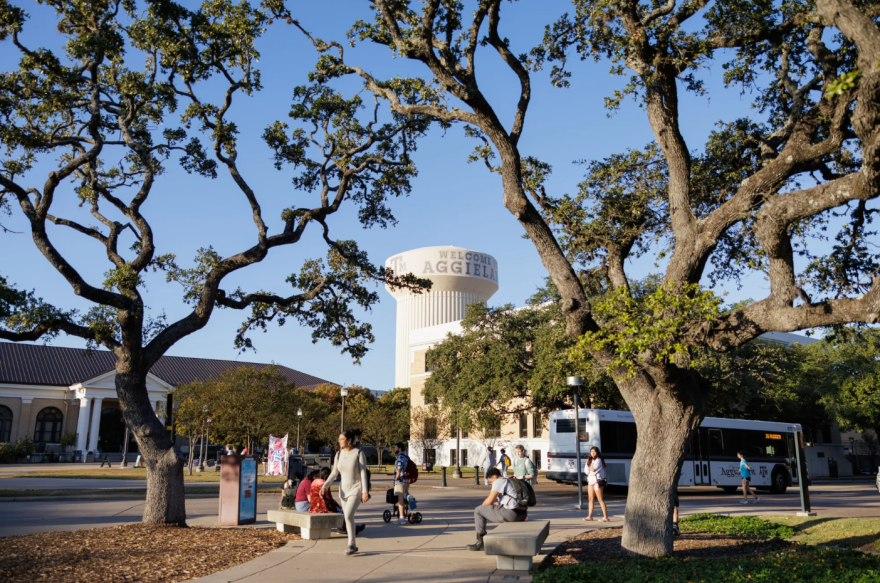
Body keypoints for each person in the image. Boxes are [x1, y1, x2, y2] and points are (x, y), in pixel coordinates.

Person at [322, 430, 370, 555]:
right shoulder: (338, 454)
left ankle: (350, 543)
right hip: (343, 490)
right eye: (339, 439)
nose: (339, 441)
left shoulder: (359, 453)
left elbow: (363, 473)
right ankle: (353, 544)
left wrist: (365, 491)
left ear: (349, 440)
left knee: (348, 515)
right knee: (349, 518)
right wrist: (325, 485)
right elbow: (334, 473)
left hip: (356, 488)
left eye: (342, 439)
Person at [466, 467, 528, 551]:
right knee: (486, 508)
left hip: (511, 514)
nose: (491, 484)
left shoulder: (499, 481)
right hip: (522, 514)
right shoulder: (509, 480)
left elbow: (489, 500)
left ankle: (480, 543)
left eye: (491, 481)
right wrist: (491, 506)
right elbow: (503, 502)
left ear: (494, 477)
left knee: (478, 511)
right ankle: (481, 541)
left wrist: (482, 507)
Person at [583, 446, 610, 522]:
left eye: (594, 451)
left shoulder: (599, 460)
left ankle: (605, 517)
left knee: (600, 499)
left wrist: (589, 467)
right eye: (591, 451)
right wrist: (589, 468)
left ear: (597, 452)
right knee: (590, 498)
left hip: (597, 481)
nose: (592, 453)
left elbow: (594, 469)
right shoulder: (589, 460)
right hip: (590, 480)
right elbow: (586, 471)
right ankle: (589, 516)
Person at [393, 442, 410, 525]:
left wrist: (396, 477)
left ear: (399, 448)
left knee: (400, 499)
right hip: (406, 480)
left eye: (395, 447)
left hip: (400, 481)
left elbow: (399, 469)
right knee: (405, 497)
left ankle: (402, 518)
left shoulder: (399, 457)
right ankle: (405, 513)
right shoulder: (406, 456)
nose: (394, 449)